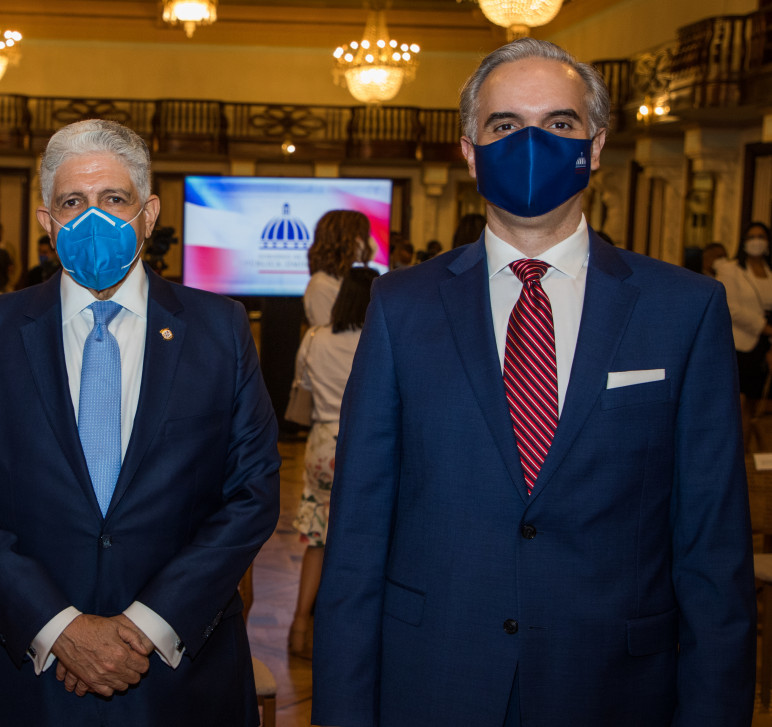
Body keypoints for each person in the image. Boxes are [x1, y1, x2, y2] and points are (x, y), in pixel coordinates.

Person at [313, 38, 754, 727]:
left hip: (614, 689)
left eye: (558, 123)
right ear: (470, 151)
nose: (530, 144)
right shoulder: (401, 306)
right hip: (434, 680)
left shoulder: (684, 309)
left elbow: (713, 549)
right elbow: (357, 536)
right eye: (505, 125)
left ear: (595, 146)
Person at [0, 119, 280, 726]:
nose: (93, 217)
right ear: (47, 222)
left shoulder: (220, 330)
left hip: (178, 673)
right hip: (26, 674)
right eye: (73, 202)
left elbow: (252, 492)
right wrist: (59, 627)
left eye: (114, 198)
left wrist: (145, 626)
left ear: (149, 213)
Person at [288, 266, 378, 659]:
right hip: (365, 442)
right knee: (362, 538)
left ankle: (299, 626)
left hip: (322, 443)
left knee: (317, 538)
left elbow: (303, 387)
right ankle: (344, 632)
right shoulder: (376, 338)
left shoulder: (315, 337)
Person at [715, 222, 772, 420]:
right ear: (744, 241)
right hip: (741, 343)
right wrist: (763, 327)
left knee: (758, 405)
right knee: (738, 406)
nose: (757, 241)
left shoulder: (769, 270)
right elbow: (729, 307)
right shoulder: (730, 269)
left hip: (767, 345)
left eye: (761, 237)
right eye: (751, 237)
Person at [304, 210, 372, 327]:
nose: (368, 242)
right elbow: (331, 333)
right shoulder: (321, 285)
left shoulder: (349, 279)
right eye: (362, 236)